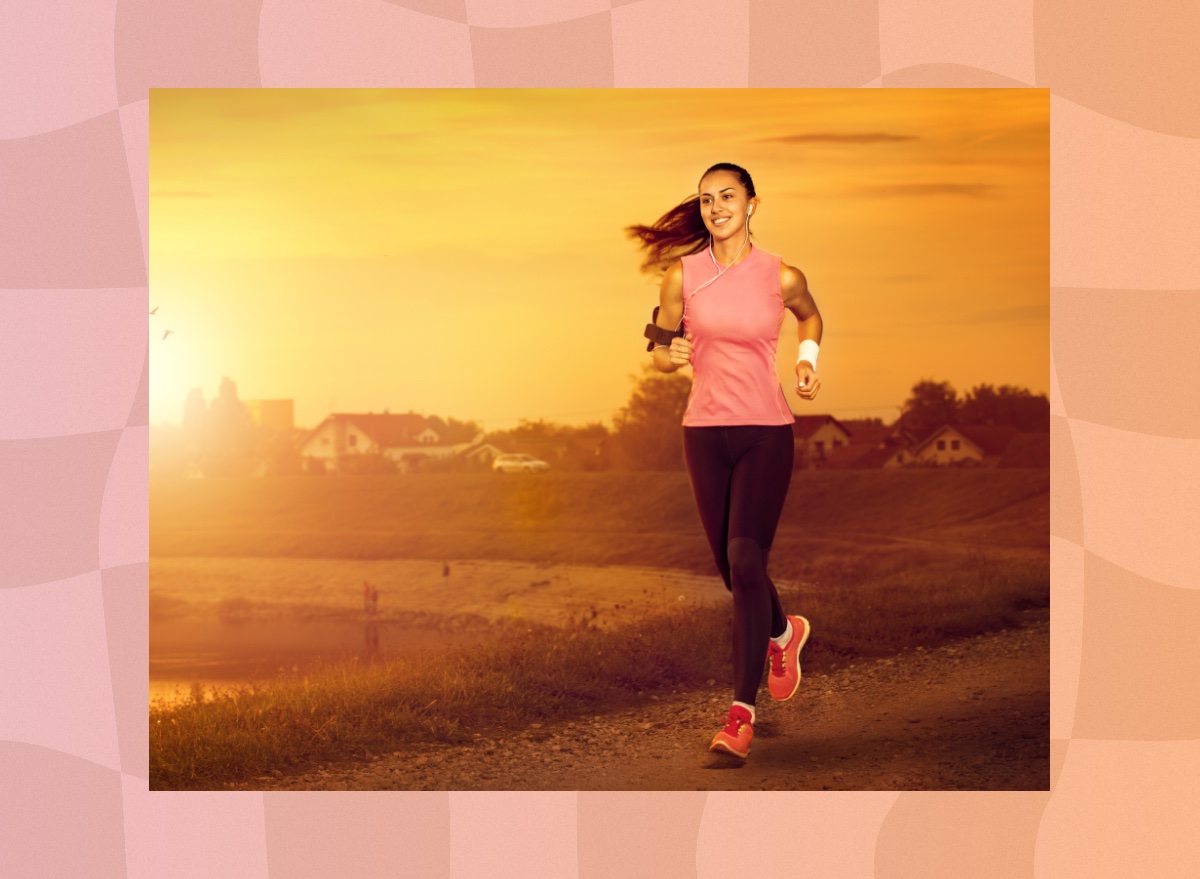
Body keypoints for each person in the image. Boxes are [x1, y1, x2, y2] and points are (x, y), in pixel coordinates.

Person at [628, 162, 822, 759]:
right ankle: (783, 633)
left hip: (766, 430)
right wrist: (672, 353)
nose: (716, 208)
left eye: (728, 197)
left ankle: (740, 714)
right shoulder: (679, 277)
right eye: (707, 199)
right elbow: (657, 351)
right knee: (729, 569)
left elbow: (809, 315)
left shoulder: (781, 275)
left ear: (752, 204)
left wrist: (807, 357)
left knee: (745, 556)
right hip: (704, 433)